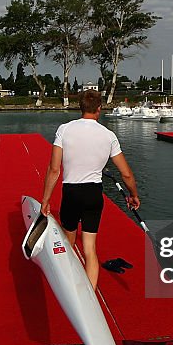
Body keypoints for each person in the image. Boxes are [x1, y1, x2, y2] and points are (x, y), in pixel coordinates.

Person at [41, 89, 140, 289]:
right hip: (94, 195)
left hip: (71, 193)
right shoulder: (109, 135)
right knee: (90, 249)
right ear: (99, 109)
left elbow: (54, 169)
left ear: (80, 107)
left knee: (69, 244)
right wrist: (133, 195)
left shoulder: (64, 129)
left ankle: (69, 286)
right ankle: (91, 295)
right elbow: (126, 174)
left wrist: (45, 200)